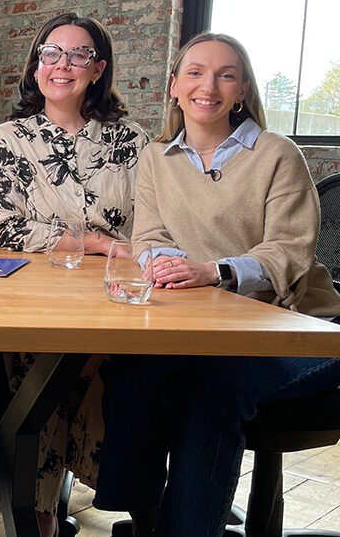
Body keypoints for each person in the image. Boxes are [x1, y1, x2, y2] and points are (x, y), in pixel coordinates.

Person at [93, 32, 340, 536]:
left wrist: (213, 271)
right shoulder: (156, 159)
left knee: (213, 394)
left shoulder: (277, 154)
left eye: (226, 74)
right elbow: (150, 236)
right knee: (130, 373)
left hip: (305, 328)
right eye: (195, 73)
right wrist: (164, 264)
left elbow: (288, 251)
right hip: (215, 327)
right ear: (174, 88)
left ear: (242, 90)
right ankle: (147, 518)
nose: (209, 85)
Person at [0, 12, 147, 536]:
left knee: (114, 380)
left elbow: (156, 225)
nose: (62, 65)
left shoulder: (132, 140)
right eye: (51, 53)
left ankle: (133, 500)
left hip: (112, 296)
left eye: (78, 56)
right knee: (37, 380)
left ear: (97, 70)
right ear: (35, 66)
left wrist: (115, 254)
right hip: (32, 296)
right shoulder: (9, 137)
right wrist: (95, 241)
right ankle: (39, 517)